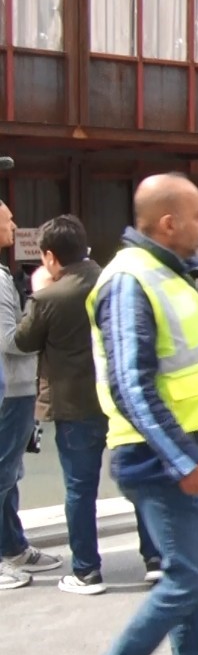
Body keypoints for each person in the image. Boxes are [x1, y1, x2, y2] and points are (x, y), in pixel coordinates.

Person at [89, 173, 198, 655]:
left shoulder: (169, 273)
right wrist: (182, 459)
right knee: (193, 576)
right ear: (167, 223)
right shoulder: (128, 280)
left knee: (196, 580)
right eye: (197, 215)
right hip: (164, 460)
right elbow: (129, 385)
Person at [16, 215, 163, 595]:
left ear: (50, 257)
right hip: (123, 402)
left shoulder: (48, 298)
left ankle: (87, 571)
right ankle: (155, 560)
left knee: (80, 490)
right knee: (139, 480)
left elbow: (23, 341)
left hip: (75, 406)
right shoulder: (115, 282)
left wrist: (38, 289)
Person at [0, 199, 62, 590]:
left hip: (16, 388)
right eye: (7, 219)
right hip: (10, 389)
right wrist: (40, 308)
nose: (14, 224)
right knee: (2, 474)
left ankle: (13, 547)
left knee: (9, 474)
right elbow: (9, 340)